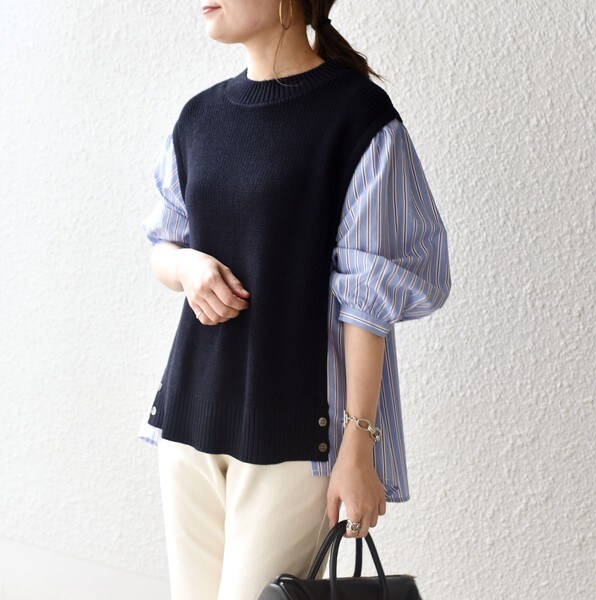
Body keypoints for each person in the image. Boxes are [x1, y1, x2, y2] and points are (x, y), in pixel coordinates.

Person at [137, 1, 451, 598]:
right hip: (188, 419)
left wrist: (358, 448)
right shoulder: (199, 117)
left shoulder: (356, 116)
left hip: (295, 439)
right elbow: (162, 245)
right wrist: (186, 266)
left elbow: (369, 295)